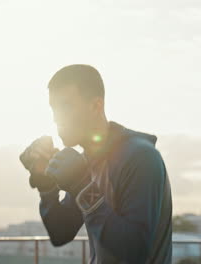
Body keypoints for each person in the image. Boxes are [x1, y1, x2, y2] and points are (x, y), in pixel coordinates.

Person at [19, 64, 172, 263]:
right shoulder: (88, 161)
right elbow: (61, 233)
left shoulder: (141, 157)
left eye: (65, 106)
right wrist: (46, 183)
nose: (56, 118)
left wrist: (81, 184)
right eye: (53, 108)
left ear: (96, 106)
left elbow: (134, 253)